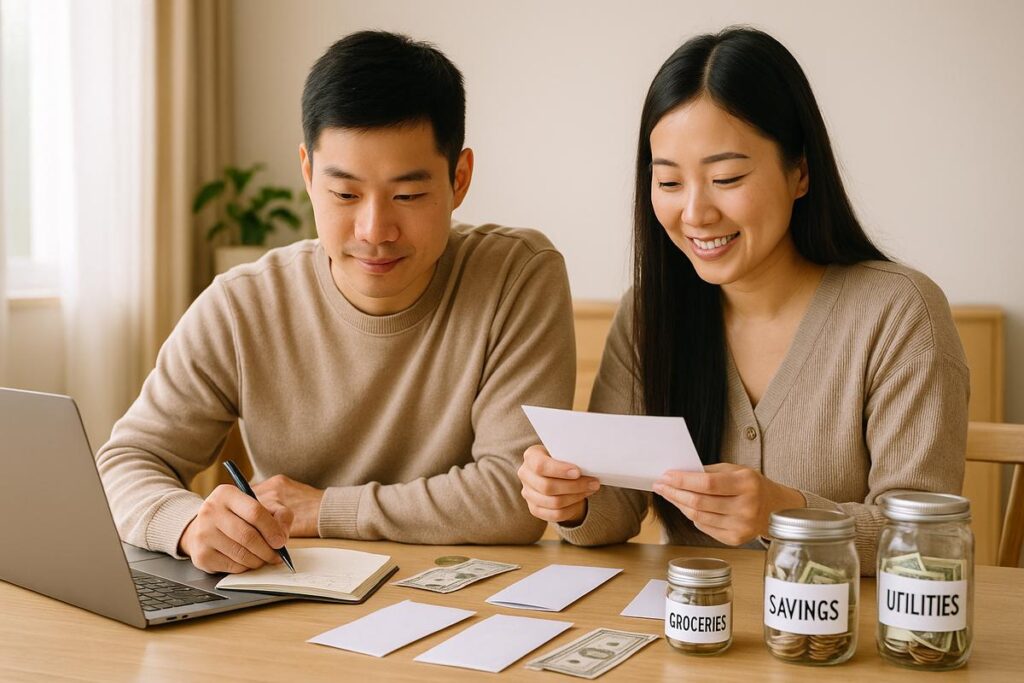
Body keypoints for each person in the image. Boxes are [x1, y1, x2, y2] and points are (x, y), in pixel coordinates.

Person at [97, 31, 575, 574]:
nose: (374, 230)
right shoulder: (243, 303)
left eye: (408, 195)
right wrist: (183, 523)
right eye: (345, 194)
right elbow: (125, 461)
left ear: (459, 178)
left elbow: (512, 498)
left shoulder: (516, 276)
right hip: (290, 601)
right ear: (307, 173)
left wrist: (325, 509)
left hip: (461, 603)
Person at [517, 27, 968, 571]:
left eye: (726, 177)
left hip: (844, 639)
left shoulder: (898, 313)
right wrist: (570, 500)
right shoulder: (648, 312)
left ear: (799, 171)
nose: (695, 214)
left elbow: (922, 539)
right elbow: (614, 510)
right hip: (690, 632)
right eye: (669, 183)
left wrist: (787, 513)